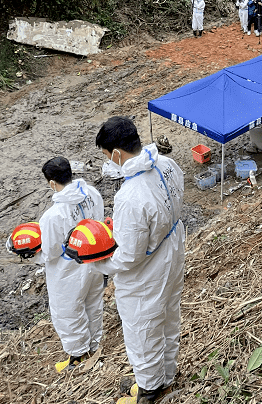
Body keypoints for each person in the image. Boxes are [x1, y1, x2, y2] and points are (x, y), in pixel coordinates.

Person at [92, 117, 185, 404]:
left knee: (142, 329)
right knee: (168, 317)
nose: (108, 161)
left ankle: (149, 389)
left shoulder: (130, 195)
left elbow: (129, 256)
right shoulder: (166, 166)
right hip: (171, 249)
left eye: (107, 156)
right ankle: (166, 376)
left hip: (146, 272)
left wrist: (97, 262)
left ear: (117, 153)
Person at [39, 157, 106, 373]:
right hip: (95, 262)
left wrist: (31, 253)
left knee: (68, 311)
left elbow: (50, 252)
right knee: (93, 303)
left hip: (69, 272)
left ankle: (77, 356)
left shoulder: (52, 216)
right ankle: (95, 346)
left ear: (51, 183)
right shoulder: (92, 194)